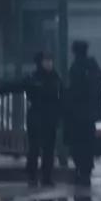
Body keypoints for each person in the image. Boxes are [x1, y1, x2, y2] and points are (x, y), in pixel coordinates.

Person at [64, 40, 101, 187]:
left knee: (78, 144)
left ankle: (81, 169)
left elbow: (73, 92)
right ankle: (86, 169)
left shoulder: (76, 68)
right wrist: (98, 111)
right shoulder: (94, 68)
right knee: (88, 143)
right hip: (90, 115)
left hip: (77, 115)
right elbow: (100, 93)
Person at [24, 52, 62, 187]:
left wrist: (58, 116)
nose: (49, 63)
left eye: (50, 60)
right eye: (46, 61)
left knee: (49, 149)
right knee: (34, 148)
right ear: (40, 62)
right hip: (36, 117)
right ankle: (32, 175)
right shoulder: (34, 78)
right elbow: (29, 94)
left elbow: (60, 98)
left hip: (50, 118)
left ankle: (47, 176)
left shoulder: (56, 77)